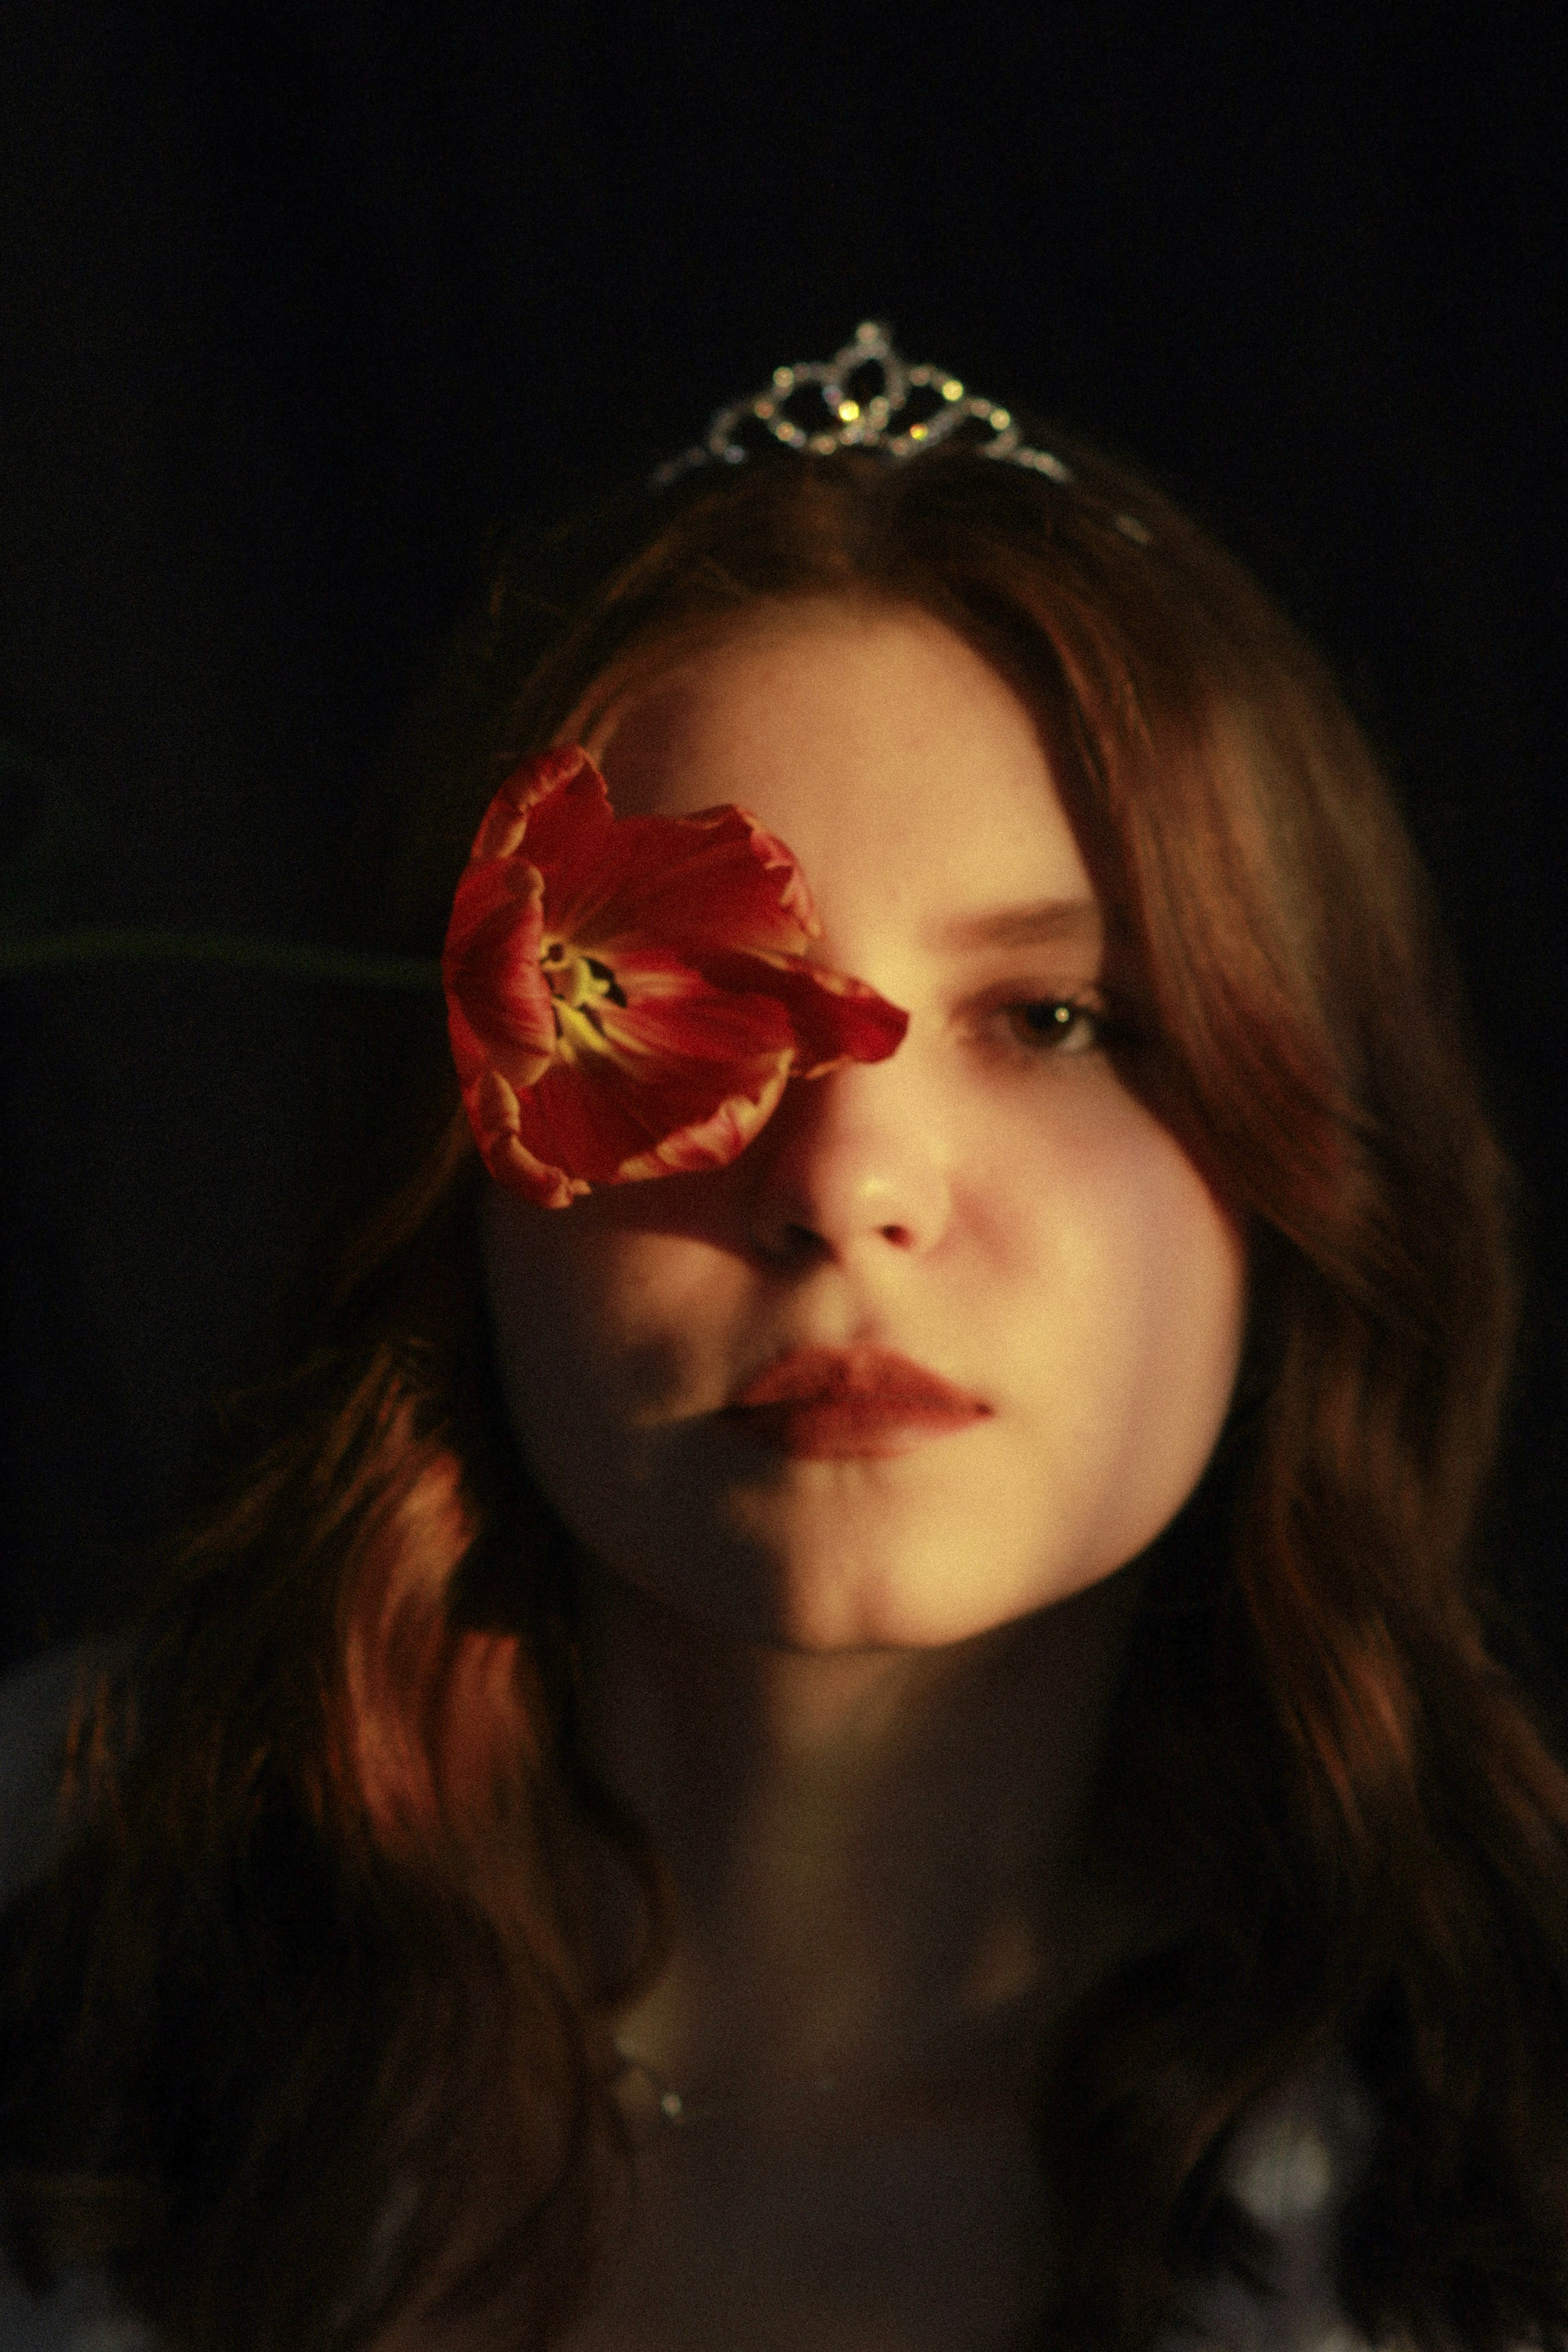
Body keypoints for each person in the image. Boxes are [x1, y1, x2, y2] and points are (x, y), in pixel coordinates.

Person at [3, 322, 1567, 2352]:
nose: (847, 1183)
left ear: (1303, 1150)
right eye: (688, 1013)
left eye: (1057, 1019)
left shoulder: (1492, 2147)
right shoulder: (55, 1935)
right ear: (455, 1156)